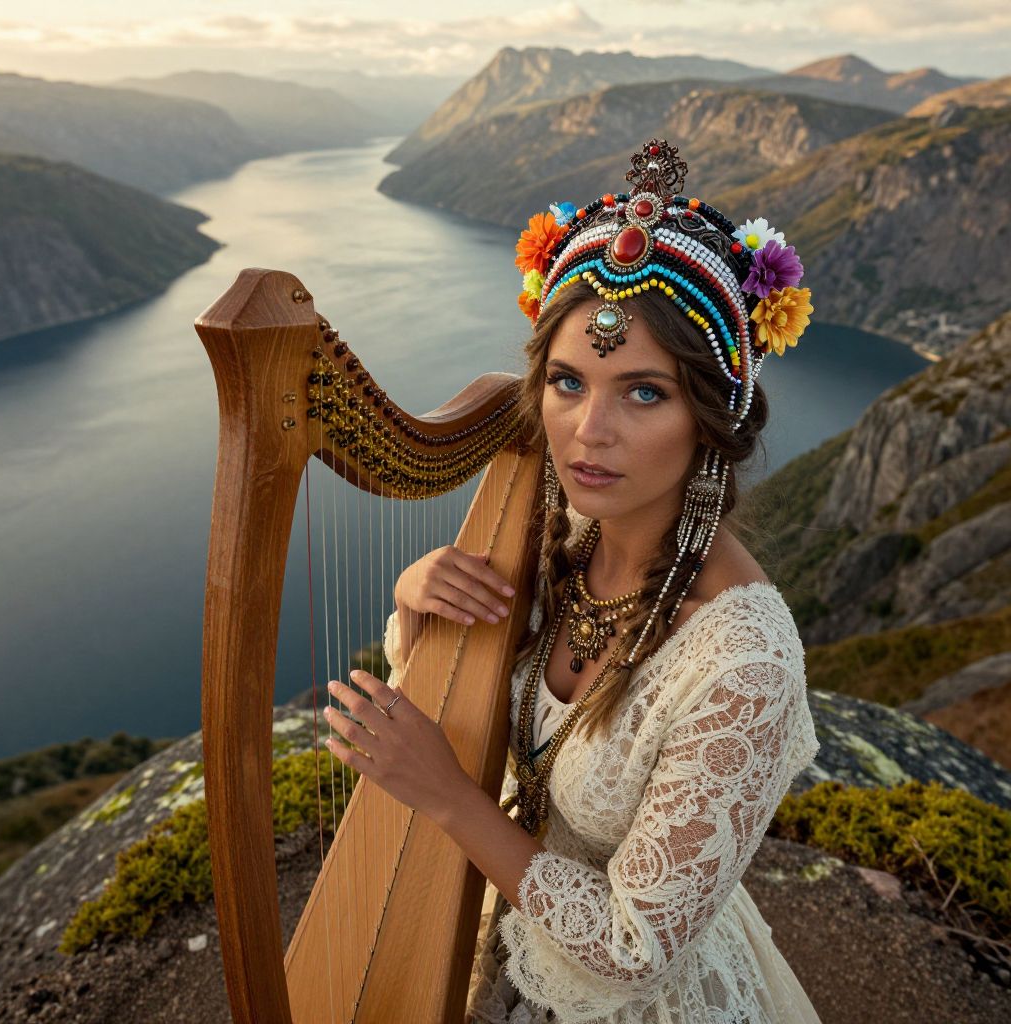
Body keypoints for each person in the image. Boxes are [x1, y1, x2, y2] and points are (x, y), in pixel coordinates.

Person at [323, 139, 822, 1023]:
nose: (588, 431)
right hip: (525, 923)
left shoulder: (744, 665)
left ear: (711, 417)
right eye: (566, 381)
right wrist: (415, 597)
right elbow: (468, 684)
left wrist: (446, 795)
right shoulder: (564, 537)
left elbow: (634, 951)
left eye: (643, 394)